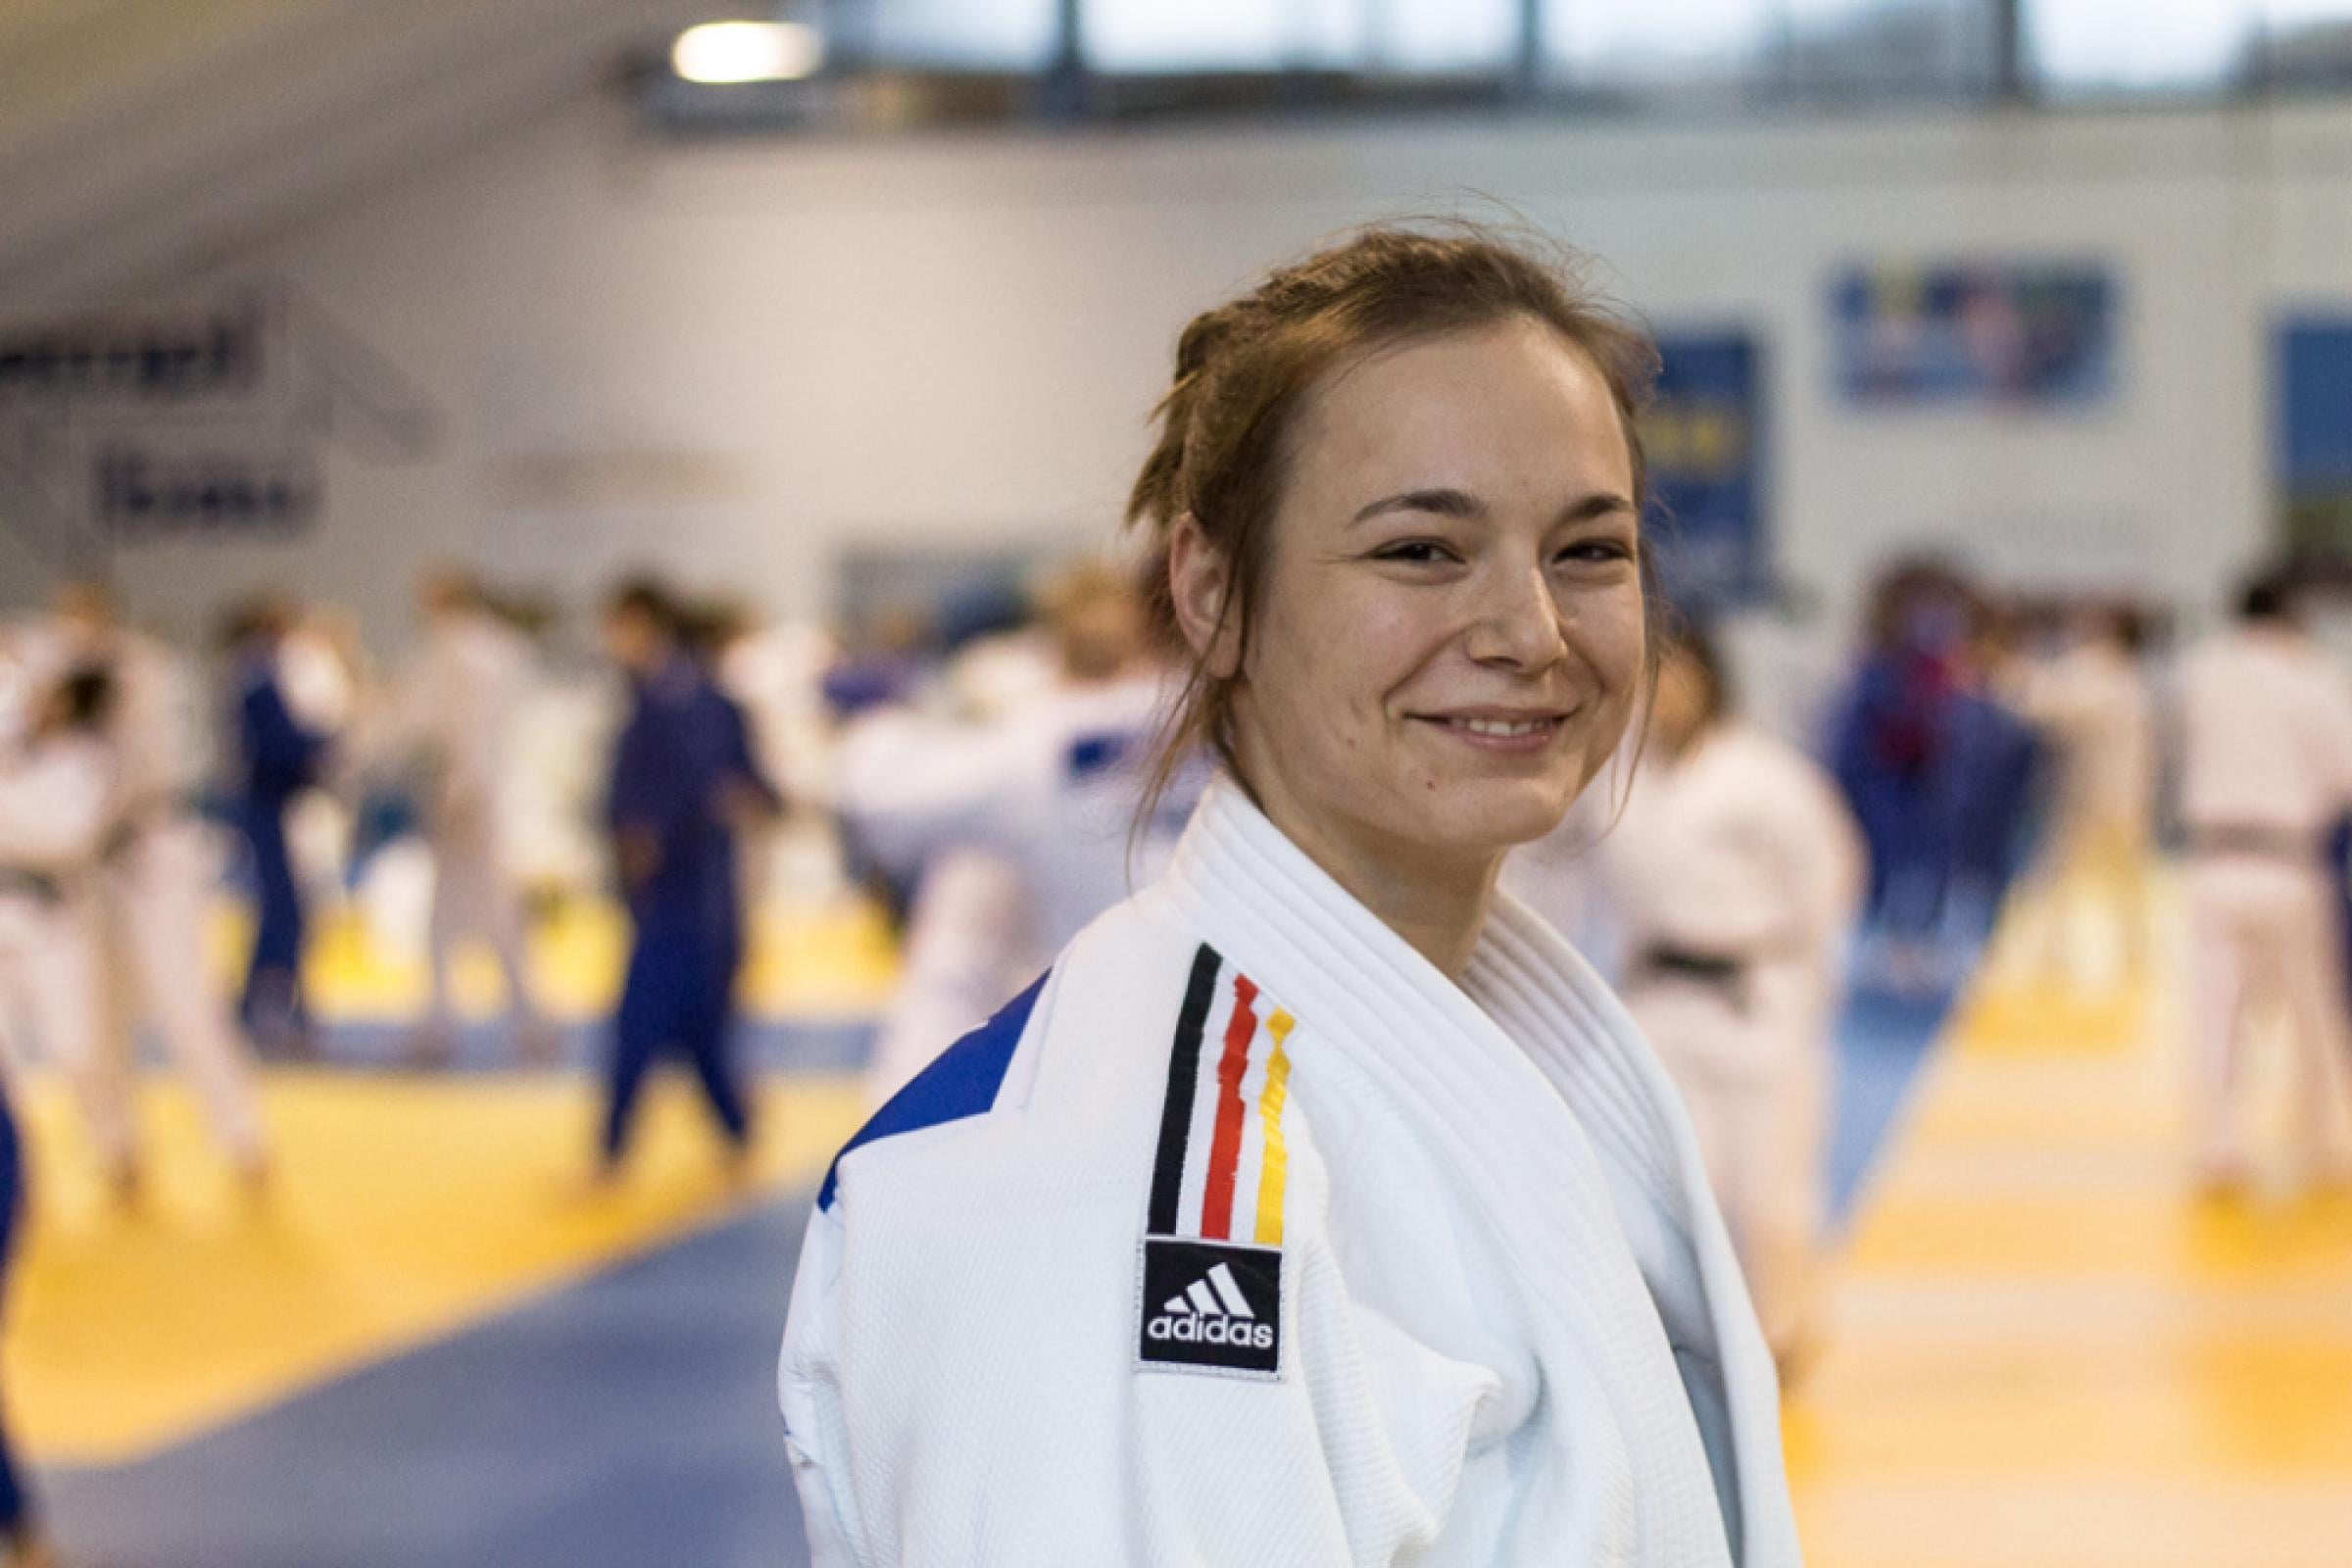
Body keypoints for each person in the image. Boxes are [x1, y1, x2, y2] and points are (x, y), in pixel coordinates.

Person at [780, 225, 1799, 1565]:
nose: (1532, 632)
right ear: (1213, 593)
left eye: (1589, 550)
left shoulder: (1512, 1033)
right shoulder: (1125, 1194)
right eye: (1422, 550)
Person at [1599, 623, 1865, 1373]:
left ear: (1711, 682)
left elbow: (1825, 881)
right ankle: (1690, 1345)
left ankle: (1781, 1334)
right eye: (1651, 683)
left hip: (1757, 996)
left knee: (1768, 1188)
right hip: (1657, 996)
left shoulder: (1766, 778)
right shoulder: (1613, 777)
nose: (1665, 698)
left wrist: (1807, 989)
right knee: (1672, 1180)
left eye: (1679, 679)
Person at [839, 562, 1198, 1103]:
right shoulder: (1234, 730)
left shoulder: (1042, 743)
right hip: (1186, 1052)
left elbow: (872, 788)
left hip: (1087, 1059)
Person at [34, 582, 270, 1189]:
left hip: (154, 851)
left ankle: (242, 1138)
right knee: (96, 1016)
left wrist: (84, 676)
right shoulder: (54, 674)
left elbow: (145, 753)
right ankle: (118, 1147)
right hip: (89, 868)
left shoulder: (144, 672)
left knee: (184, 1002)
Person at [598, 578, 780, 1181]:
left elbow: (719, 785)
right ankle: (735, 1131)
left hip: (691, 891)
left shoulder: (688, 700)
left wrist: (650, 832)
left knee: (648, 1020)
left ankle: (612, 1153)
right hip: (678, 889)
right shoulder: (658, 695)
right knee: (695, 1027)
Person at [2178, 570, 2352, 1191]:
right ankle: (2325, 1136)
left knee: (2216, 1011)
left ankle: (2218, 1143)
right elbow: (2343, 774)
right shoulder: (2311, 677)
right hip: (2289, 861)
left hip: (2213, 860)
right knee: (2313, 1008)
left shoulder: (2203, 673)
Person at [378, 567, 550, 1063]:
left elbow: (428, 722)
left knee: (473, 913)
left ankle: (461, 1023)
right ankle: (505, 1018)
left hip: (465, 797)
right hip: (485, 794)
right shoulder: (504, 650)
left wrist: (463, 787)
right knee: (475, 912)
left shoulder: (457, 651)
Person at [0, 668, 122, 1206]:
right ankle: (15, 1175)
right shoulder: (12, 750)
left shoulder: (86, 761)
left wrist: (12, 818)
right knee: (6, 1063)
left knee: (78, 1048)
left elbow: (67, 839)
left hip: (55, 923)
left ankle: (115, 1145)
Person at [2013, 605, 2156, 988]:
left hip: (2094, 798)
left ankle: (2055, 957)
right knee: (2107, 883)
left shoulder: (2101, 673)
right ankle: (2115, 955)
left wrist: (2021, 672)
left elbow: (2040, 706)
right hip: (2114, 796)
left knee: (2067, 880)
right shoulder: (2125, 677)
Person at [224, 596, 331, 1056]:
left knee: (287, 910)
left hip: (278, 805)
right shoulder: (257, 678)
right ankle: (267, 1006)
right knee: (282, 912)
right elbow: (278, 744)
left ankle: (276, 1003)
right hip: (268, 806)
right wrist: (324, 743)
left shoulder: (262, 674)